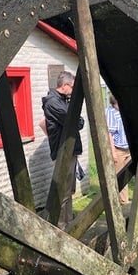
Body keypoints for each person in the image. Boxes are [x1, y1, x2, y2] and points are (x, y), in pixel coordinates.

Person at [41, 71, 83, 229]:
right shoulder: (53, 102)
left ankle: (68, 223)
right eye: (72, 87)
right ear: (65, 86)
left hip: (69, 152)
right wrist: (79, 120)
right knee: (62, 192)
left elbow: (75, 120)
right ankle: (59, 227)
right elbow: (74, 121)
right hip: (63, 153)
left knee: (69, 191)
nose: (73, 90)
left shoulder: (62, 100)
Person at [106, 94, 131, 204]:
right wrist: (113, 152)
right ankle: (117, 201)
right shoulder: (111, 112)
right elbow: (109, 134)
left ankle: (123, 199)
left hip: (128, 148)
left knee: (126, 175)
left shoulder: (123, 111)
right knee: (118, 175)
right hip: (118, 149)